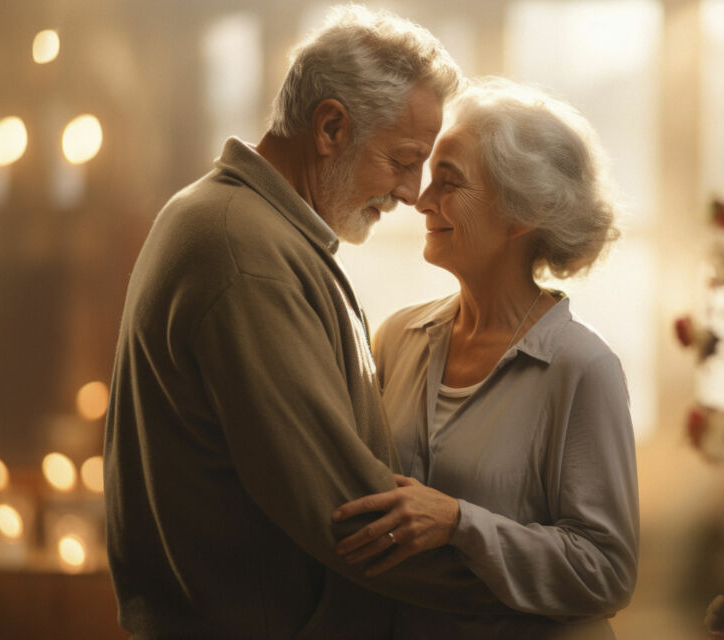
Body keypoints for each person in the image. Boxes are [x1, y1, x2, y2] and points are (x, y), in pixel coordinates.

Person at [104, 8, 516, 638]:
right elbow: (354, 515)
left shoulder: (251, 230)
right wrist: (533, 589)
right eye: (404, 160)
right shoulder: (243, 251)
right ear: (330, 127)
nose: (412, 193)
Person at [332, 78, 640, 639]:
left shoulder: (583, 367)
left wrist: (458, 522)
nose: (421, 201)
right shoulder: (398, 338)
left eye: (449, 183)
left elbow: (607, 574)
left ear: (523, 213)